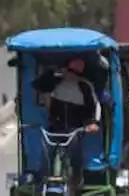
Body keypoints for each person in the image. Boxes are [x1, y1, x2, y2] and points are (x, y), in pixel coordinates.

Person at [32, 58, 101, 187]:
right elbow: (38, 85)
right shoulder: (55, 82)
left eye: (74, 72)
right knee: (46, 154)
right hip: (55, 127)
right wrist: (52, 73)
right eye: (68, 70)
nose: (70, 74)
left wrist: (93, 123)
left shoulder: (84, 86)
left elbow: (95, 107)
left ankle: (76, 180)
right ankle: (42, 184)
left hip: (74, 129)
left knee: (75, 153)